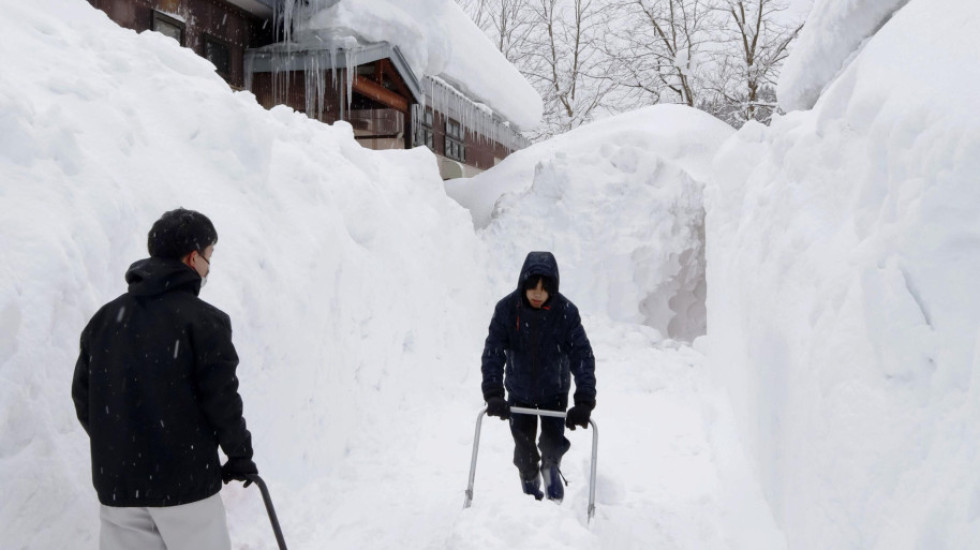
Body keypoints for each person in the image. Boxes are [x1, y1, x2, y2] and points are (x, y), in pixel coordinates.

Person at [72, 208, 257, 550]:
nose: (208, 266)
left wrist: (122, 443)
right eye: (209, 255)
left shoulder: (105, 320)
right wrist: (239, 455)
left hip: (119, 487)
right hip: (185, 488)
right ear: (192, 257)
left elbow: (85, 398)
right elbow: (221, 400)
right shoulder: (204, 321)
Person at [481, 251, 596, 502]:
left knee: (552, 443)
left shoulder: (565, 312)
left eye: (544, 288)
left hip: (554, 391)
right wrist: (493, 394)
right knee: (524, 449)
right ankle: (529, 479)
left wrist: (584, 400)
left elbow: (582, 356)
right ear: (524, 283)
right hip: (519, 392)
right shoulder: (507, 310)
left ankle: (551, 467)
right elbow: (493, 352)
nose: (537, 293)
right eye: (532, 286)